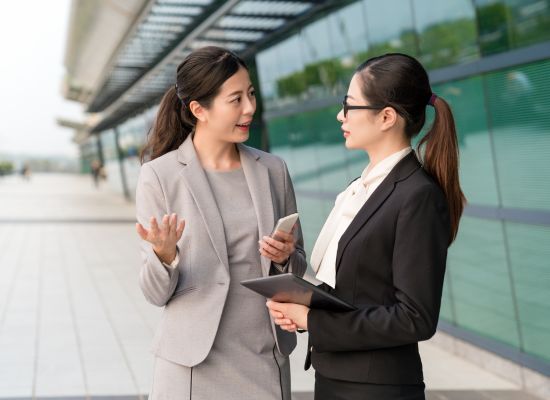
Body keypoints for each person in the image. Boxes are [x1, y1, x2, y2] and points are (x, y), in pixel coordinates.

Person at [267, 53, 466, 400]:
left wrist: (312, 321)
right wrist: (301, 298)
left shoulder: (417, 195)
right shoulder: (364, 186)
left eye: (350, 105)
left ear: (386, 116)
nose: (340, 115)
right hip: (336, 376)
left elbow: (415, 317)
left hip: (376, 388)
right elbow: (354, 288)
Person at [135, 46, 307, 400]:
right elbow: (155, 294)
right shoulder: (159, 176)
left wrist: (285, 257)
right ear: (199, 110)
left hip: (264, 356)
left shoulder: (273, 170)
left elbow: (298, 266)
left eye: (251, 94)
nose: (250, 108)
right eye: (236, 99)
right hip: (193, 364)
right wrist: (164, 256)